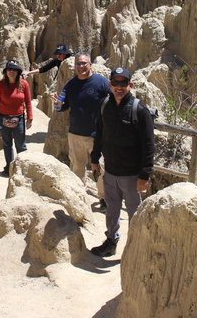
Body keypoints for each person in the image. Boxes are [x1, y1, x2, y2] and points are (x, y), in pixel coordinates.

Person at [89, 67, 155, 257]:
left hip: (132, 175)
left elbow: (149, 144)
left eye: (123, 83)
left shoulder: (139, 109)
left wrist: (144, 175)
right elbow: (99, 134)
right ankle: (111, 241)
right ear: (110, 85)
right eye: (115, 83)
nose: (119, 87)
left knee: (134, 212)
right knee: (111, 209)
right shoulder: (104, 105)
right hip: (110, 172)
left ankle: (137, 248)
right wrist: (94, 160)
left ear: (130, 85)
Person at [53, 53, 110, 208]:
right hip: (76, 133)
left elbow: (114, 100)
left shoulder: (101, 82)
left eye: (84, 63)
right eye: (78, 64)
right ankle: (79, 197)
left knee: (101, 167)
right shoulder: (71, 84)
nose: (81, 66)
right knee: (77, 167)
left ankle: (103, 198)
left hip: (97, 135)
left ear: (90, 64)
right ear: (75, 66)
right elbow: (63, 106)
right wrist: (57, 105)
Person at [0, 60, 33, 176]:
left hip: (18, 119)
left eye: (14, 70)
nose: (12, 72)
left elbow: (28, 102)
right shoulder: (0, 85)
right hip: (2, 119)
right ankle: (9, 167)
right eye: (9, 69)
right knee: (6, 143)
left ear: (18, 72)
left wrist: (30, 118)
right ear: (6, 72)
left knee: (21, 145)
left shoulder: (24, 84)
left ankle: (22, 168)